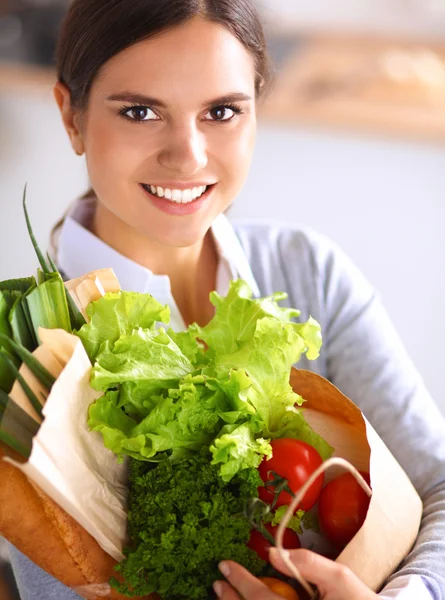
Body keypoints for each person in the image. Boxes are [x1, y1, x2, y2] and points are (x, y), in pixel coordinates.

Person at [6, 1, 445, 599]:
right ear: (71, 116)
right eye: (140, 111)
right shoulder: (27, 371)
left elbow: (438, 483)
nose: (187, 155)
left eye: (221, 111)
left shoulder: (308, 272)